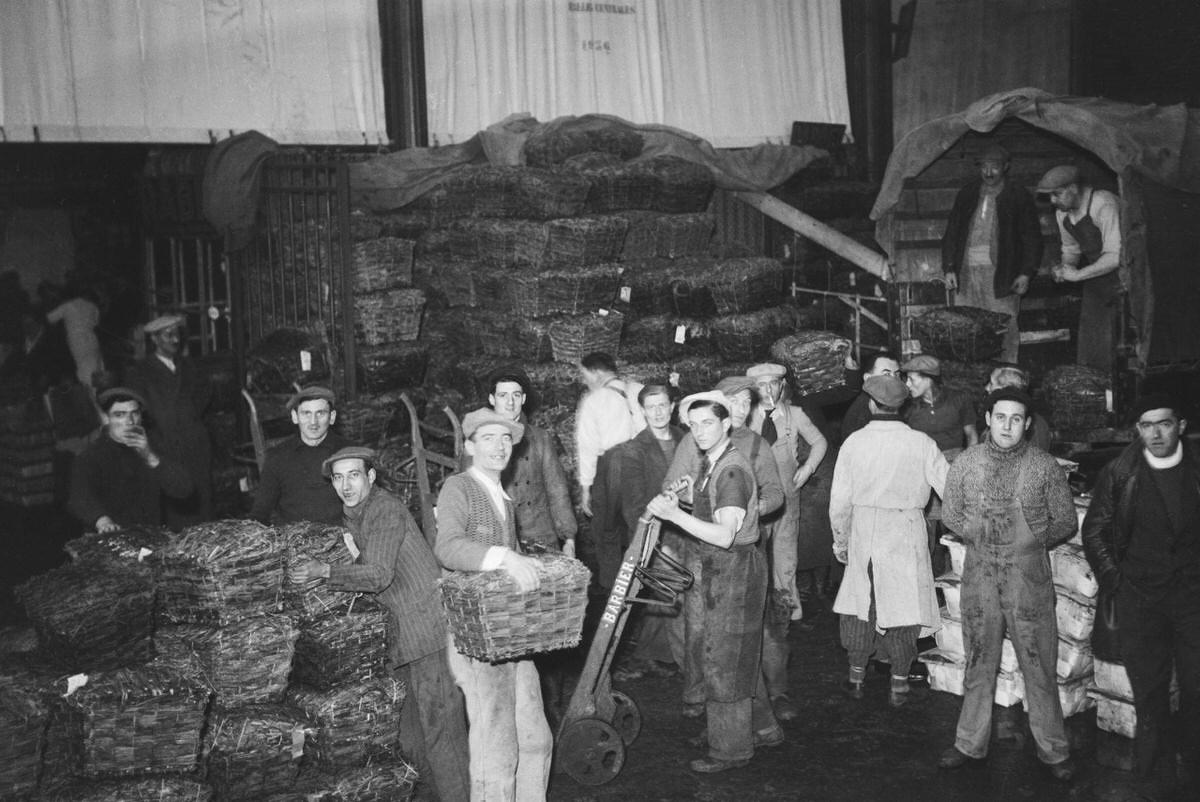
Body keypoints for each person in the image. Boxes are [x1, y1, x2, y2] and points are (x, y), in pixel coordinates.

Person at [291, 446, 469, 802]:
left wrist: (324, 572)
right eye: (338, 478)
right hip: (402, 639)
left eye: (354, 475)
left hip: (427, 634)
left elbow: (378, 575)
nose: (346, 485)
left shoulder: (383, 510)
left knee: (443, 733)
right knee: (411, 736)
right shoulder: (355, 515)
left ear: (371, 477)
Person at [939, 388, 1078, 781]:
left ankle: (1053, 749)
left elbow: (1066, 519)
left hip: (1027, 577)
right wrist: (975, 533)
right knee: (979, 661)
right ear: (987, 418)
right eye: (1001, 417)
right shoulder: (966, 463)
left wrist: (1034, 538)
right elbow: (950, 513)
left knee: (1039, 664)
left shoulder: (1043, 466)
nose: (1007, 425)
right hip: (980, 576)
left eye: (1016, 419)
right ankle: (968, 742)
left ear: (1027, 424)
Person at [647, 391, 783, 773]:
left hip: (734, 568)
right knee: (740, 653)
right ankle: (765, 728)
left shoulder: (732, 470)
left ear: (727, 424)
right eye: (694, 425)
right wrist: (688, 497)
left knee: (723, 658)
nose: (700, 431)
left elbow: (724, 534)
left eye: (708, 422)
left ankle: (730, 750)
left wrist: (674, 514)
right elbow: (714, 506)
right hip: (728, 568)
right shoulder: (716, 463)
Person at [433, 408, 553, 801]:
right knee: (496, 746)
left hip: (510, 634)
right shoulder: (460, 488)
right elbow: (448, 547)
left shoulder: (505, 496)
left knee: (536, 738)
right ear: (469, 446)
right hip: (477, 637)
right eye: (488, 438)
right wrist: (506, 556)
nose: (500, 446)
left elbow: (513, 562)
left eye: (506, 439)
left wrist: (527, 564)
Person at [1082, 394, 1200, 785]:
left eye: (1164, 423)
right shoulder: (1120, 471)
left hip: (1192, 598)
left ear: (1180, 425)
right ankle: (1155, 780)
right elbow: (1095, 530)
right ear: (1137, 429)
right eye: (1147, 426)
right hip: (1141, 598)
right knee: (1149, 697)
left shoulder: (1197, 465)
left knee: (1196, 688)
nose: (1156, 433)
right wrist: (1117, 581)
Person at [831, 375, 949, 707]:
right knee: (904, 604)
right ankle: (899, 682)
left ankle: (856, 677)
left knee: (862, 604)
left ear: (870, 403)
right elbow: (949, 489)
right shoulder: (921, 443)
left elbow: (839, 502)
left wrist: (840, 541)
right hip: (907, 528)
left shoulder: (855, 442)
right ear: (903, 405)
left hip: (866, 528)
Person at [600, 383, 687, 681]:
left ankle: (651, 653)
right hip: (658, 533)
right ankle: (676, 659)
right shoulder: (634, 450)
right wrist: (656, 543)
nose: (658, 412)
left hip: (689, 528)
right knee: (670, 588)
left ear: (673, 406)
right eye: (651, 407)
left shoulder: (685, 438)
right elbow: (634, 505)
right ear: (642, 411)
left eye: (663, 405)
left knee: (671, 591)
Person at [941, 144, 1043, 363]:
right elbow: (952, 231)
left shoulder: (1017, 195)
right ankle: (972, 376)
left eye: (994, 167)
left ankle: (1006, 376)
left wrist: (1026, 272)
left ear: (1005, 167)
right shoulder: (968, 193)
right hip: (967, 275)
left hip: (1001, 275)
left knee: (1003, 327)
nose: (988, 172)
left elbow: (1032, 237)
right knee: (967, 326)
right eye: (984, 167)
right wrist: (949, 267)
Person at [746, 363, 827, 622]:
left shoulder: (794, 414)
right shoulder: (745, 416)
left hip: (787, 497)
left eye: (773, 383)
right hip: (756, 499)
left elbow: (819, 441)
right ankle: (755, 610)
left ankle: (788, 609)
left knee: (786, 554)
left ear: (781, 386)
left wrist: (808, 469)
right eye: (761, 384)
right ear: (754, 389)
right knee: (754, 552)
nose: (768, 389)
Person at [125, 313, 213, 528]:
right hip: (166, 448)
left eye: (177, 334)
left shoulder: (190, 367)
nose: (175, 339)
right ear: (154, 339)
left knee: (203, 511)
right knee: (175, 514)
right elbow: (140, 411)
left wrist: (188, 418)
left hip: (195, 446)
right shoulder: (141, 372)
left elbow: (205, 395)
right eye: (168, 334)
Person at [68, 387, 193, 532]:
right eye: (120, 415)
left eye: (134, 413)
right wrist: (101, 520)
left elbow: (184, 490)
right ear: (105, 419)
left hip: (151, 536)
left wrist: (150, 457)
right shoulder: (90, 456)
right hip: (108, 539)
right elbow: (79, 497)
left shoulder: (153, 449)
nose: (130, 421)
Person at [1039, 165, 1123, 373]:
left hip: (1126, 279)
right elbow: (1071, 249)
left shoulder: (1103, 204)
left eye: (1056, 194)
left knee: (1119, 342)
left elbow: (1115, 255)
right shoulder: (1063, 214)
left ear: (1073, 188)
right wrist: (1064, 268)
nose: (1053, 201)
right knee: (1093, 342)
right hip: (1096, 280)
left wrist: (1077, 275)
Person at [486, 365, 576, 556]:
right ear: (492, 399)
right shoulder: (479, 441)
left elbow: (557, 489)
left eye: (516, 395)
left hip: (541, 536)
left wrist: (569, 538)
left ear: (524, 399)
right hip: (502, 541)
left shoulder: (540, 438)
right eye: (503, 396)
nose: (510, 403)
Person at [250, 386, 353, 525]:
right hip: (293, 541)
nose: (313, 422)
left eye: (320, 413)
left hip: (342, 538)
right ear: (295, 416)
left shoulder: (350, 453)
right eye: (306, 413)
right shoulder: (278, 457)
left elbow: (367, 505)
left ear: (332, 417)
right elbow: (260, 512)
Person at [574, 351, 645, 517]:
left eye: (585, 375)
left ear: (597, 373)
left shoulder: (594, 401)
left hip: (613, 471)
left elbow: (587, 447)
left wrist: (586, 489)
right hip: (645, 466)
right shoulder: (639, 390)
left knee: (608, 528)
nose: (584, 381)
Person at [902, 354, 978, 458]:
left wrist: (967, 465)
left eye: (911, 379)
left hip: (954, 463)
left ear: (928, 380)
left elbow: (971, 436)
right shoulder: (907, 406)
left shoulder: (958, 399)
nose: (907, 384)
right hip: (923, 463)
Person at [981, 365, 1051, 451]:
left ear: (1006, 388)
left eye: (991, 383)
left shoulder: (1035, 425)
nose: (987, 388)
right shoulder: (994, 416)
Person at [841, 351, 901, 439]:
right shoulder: (861, 413)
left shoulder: (897, 400)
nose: (894, 379)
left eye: (897, 374)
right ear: (868, 378)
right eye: (886, 374)